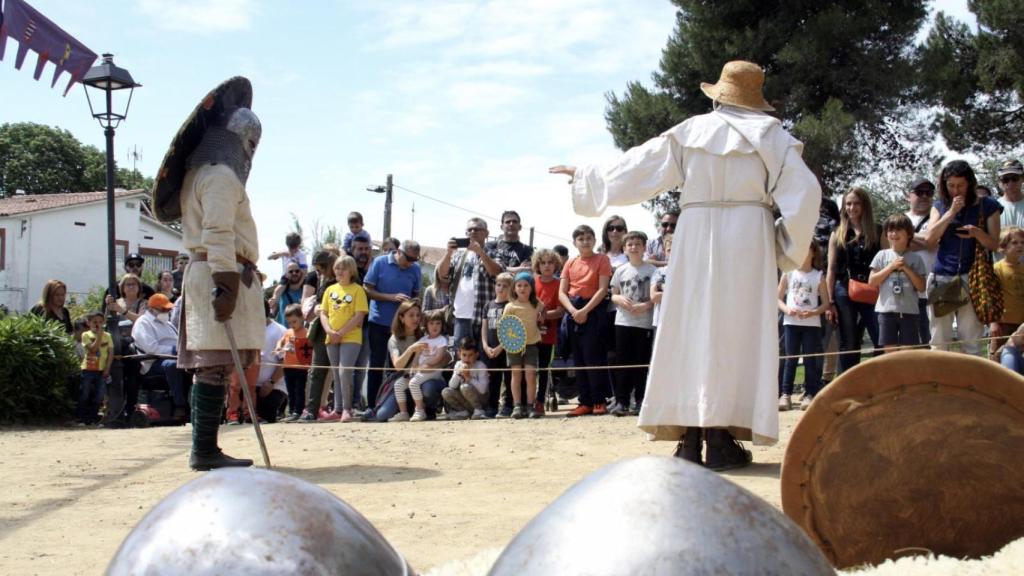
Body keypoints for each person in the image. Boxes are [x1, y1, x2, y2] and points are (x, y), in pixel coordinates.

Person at [550, 60, 820, 471]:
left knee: (690, 329)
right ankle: (719, 436)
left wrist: (588, 177)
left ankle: (691, 440)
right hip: (748, 237)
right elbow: (807, 196)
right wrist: (783, 246)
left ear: (719, 96)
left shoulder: (692, 131)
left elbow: (640, 167)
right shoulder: (774, 138)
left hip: (694, 232)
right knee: (735, 333)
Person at [151, 76, 264, 470]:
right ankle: (204, 449)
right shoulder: (219, 175)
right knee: (214, 366)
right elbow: (217, 232)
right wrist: (227, 283)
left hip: (214, 270)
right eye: (251, 144)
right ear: (239, 141)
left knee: (214, 367)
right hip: (218, 271)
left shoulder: (201, 174)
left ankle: (205, 447)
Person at [924, 160, 1002, 356]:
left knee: (972, 342)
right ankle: (939, 384)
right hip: (943, 278)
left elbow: (994, 244)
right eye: (951, 185)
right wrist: (951, 213)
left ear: (970, 183)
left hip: (974, 279)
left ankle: (971, 385)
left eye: (960, 185)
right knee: (940, 341)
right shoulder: (940, 205)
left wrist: (977, 233)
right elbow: (929, 239)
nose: (956, 190)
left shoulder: (989, 206)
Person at [827, 187, 883, 374]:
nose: (852, 207)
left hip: (872, 289)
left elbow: (886, 261)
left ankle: (876, 380)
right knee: (848, 341)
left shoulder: (877, 230)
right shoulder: (837, 233)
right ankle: (847, 387)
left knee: (880, 337)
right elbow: (831, 269)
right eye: (848, 203)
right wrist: (830, 302)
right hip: (844, 290)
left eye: (856, 203)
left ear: (864, 205)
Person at [364, 240, 422, 405]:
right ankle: (371, 405)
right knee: (376, 364)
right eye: (408, 258)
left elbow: (417, 295)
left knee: (397, 367)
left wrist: (410, 307)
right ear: (399, 251)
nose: (411, 262)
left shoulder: (415, 269)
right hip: (379, 322)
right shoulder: (380, 262)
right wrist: (390, 297)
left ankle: (394, 405)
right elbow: (367, 289)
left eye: (414, 260)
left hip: (402, 326)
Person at [609, 231, 656, 417]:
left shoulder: (652, 271)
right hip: (623, 322)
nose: (634, 247)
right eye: (630, 244)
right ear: (624, 248)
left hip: (643, 323)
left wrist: (647, 305)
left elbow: (655, 297)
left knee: (640, 363)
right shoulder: (620, 270)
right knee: (622, 363)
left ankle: (640, 401)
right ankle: (621, 400)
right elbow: (613, 293)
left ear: (644, 247)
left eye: (638, 244)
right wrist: (619, 298)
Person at [777, 242, 827, 411]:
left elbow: (826, 304)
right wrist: (787, 309)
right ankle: (785, 394)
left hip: (812, 325)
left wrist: (813, 313)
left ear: (813, 253)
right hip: (791, 323)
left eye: (806, 250)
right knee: (790, 358)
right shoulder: (788, 273)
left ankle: (810, 393)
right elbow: (777, 298)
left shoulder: (818, 276)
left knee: (810, 359)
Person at [439, 218, 503, 350]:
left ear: (486, 233)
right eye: (470, 230)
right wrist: (448, 253)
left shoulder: (493, 253)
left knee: (486, 362)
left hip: (485, 317)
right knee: (462, 363)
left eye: (477, 229)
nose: (473, 232)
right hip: (461, 316)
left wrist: (481, 253)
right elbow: (442, 274)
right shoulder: (458, 255)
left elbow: (497, 273)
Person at [868, 214, 927, 352]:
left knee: (908, 353)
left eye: (898, 230)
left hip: (909, 312)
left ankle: (907, 374)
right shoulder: (881, 255)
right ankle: (891, 374)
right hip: (886, 311)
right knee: (889, 353)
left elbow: (921, 287)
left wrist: (906, 268)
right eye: (890, 230)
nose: (894, 234)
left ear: (909, 234)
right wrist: (891, 267)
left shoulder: (916, 258)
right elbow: (872, 282)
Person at [320, 256, 368, 423]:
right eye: (337, 268)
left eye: (343, 268)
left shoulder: (357, 290)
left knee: (344, 371)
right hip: (331, 336)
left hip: (351, 336)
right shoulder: (329, 289)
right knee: (335, 373)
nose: (339, 272)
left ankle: (348, 408)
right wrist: (329, 331)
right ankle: (337, 408)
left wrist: (340, 333)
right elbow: (323, 313)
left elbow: (359, 314)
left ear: (351, 271)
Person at [131, 294, 189, 419]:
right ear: (152, 309)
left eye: (168, 310)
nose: (166, 312)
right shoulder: (143, 323)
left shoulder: (169, 325)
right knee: (173, 365)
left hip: (175, 358)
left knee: (194, 365)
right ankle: (180, 406)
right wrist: (174, 351)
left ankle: (192, 403)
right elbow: (151, 348)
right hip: (153, 363)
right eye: (163, 309)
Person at [228, 304, 288, 424]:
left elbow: (285, 361)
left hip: (271, 387)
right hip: (242, 369)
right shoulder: (242, 327)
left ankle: (250, 413)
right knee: (235, 386)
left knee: (266, 413)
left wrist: (271, 382)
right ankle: (233, 413)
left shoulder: (280, 331)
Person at [390, 309, 449, 422]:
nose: (434, 326)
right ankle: (404, 413)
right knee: (398, 385)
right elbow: (416, 356)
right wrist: (413, 369)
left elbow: (439, 357)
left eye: (438, 323)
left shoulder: (442, 340)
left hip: (433, 372)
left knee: (413, 383)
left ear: (442, 325)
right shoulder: (423, 339)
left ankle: (420, 411)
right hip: (420, 371)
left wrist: (426, 364)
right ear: (426, 325)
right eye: (431, 323)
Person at [503, 271, 545, 419]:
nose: (522, 288)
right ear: (514, 288)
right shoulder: (510, 306)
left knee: (531, 375)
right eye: (519, 285)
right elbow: (504, 326)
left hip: (532, 343)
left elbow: (543, 310)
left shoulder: (536, 304)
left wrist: (541, 319)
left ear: (531, 288)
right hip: (514, 345)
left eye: (526, 285)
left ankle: (530, 406)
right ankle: (517, 406)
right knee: (516, 375)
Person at [532, 249, 564, 415]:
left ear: (556, 265)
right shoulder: (531, 282)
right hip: (529, 332)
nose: (546, 266)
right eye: (543, 262)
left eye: (550, 262)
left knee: (543, 368)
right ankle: (526, 400)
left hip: (548, 331)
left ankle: (540, 401)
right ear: (537, 265)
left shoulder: (559, 284)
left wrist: (542, 315)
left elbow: (560, 310)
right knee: (528, 367)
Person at [906, 177, 937, 346]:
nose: (925, 196)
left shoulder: (937, 217)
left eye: (929, 192)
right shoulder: (901, 218)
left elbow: (936, 243)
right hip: (908, 290)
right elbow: (898, 245)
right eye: (919, 192)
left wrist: (909, 237)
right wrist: (927, 241)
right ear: (908, 196)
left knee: (934, 339)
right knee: (912, 340)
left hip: (935, 288)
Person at [991, 226, 1024, 358]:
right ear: (1003, 247)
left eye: (1022, 242)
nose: (1019, 246)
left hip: (1021, 324)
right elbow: (991, 297)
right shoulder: (997, 269)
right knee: (997, 358)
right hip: (1002, 324)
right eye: (1014, 243)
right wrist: (993, 322)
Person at [481, 273, 512, 417]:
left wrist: (501, 347)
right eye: (498, 285)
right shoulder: (488, 305)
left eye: (505, 286)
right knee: (493, 379)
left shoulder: (511, 306)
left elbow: (513, 330)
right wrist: (486, 346)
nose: (501, 288)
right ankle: (492, 406)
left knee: (508, 378)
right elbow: (484, 328)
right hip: (490, 349)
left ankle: (509, 406)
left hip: (506, 349)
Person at [275, 303, 312, 422]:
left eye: (294, 321)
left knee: (299, 390)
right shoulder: (287, 332)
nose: (292, 325)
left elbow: (310, 349)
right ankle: (291, 411)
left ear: (301, 318)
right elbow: (280, 342)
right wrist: (278, 348)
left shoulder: (307, 332)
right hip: (288, 366)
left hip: (301, 368)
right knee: (290, 391)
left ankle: (298, 411)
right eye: (289, 322)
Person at [78, 311, 112, 425]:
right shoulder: (86, 335)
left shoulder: (108, 336)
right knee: (85, 394)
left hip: (101, 370)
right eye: (95, 322)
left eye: (100, 322)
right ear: (89, 323)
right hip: (88, 369)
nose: (98, 325)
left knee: (99, 396)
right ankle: (82, 418)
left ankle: (93, 418)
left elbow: (110, 353)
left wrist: (107, 368)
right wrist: (99, 336)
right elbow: (93, 349)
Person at [442, 337, 489, 420]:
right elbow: (452, 386)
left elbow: (483, 390)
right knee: (445, 391)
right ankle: (463, 412)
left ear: (476, 354)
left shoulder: (481, 366)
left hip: (480, 401)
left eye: (470, 355)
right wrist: (458, 374)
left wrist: (469, 378)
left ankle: (479, 411)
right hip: (466, 401)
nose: (467, 359)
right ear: (459, 354)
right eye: (464, 355)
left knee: (465, 387)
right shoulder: (458, 364)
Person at [650, 234, 673, 337]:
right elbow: (654, 297)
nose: (673, 253)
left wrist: (663, 287)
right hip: (660, 322)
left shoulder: (690, 272)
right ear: (664, 252)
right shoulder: (659, 272)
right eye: (669, 250)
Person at [269, 261, 305, 326]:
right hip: (283, 333)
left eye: (297, 271)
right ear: (286, 274)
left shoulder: (306, 291)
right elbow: (274, 301)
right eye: (291, 271)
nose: (294, 273)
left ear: (301, 272)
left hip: (301, 333)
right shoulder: (282, 291)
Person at [998, 160, 1024, 229]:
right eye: (1005, 179)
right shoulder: (993, 208)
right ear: (999, 182)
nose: (1010, 183)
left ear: (1022, 179)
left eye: (1014, 178)